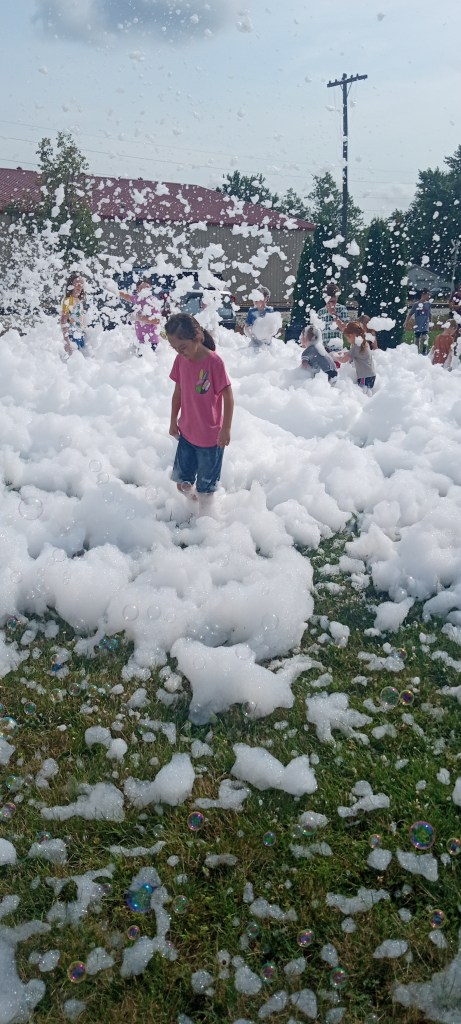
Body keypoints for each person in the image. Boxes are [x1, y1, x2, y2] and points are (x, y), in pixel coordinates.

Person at [166, 313, 234, 515]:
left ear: (197, 337)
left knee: (206, 491)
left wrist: (226, 429)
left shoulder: (214, 362)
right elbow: (178, 392)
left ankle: (207, 523)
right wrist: (173, 420)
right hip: (187, 433)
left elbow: (228, 397)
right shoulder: (180, 360)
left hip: (210, 439)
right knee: (182, 485)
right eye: (175, 349)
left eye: (183, 347)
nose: (180, 352)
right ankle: (194, 506)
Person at [119, 277, 162, 356]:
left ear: (150, 288)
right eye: (141, 288)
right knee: (140, 359)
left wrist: (139, 318)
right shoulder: (138, 299)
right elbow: (126, 296)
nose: (144, 290)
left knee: (144, 359)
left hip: (151, 340)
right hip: (141, 340)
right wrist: (114, 290)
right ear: (137, 289)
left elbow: (157, 320)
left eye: (147, 287)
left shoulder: (153, 301)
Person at [337, 320, 377, 392]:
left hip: (364, 376)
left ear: (351, 335)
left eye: (347, 338)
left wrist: (335, 357)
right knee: (367, 392)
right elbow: (355, 353)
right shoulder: (363, 343)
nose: (348, 341)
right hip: (371, 375)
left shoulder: (356, 346)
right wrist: (344, 353)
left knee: (362, 393)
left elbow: (344, 360)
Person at [317, 282, 350, 352]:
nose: (332, 304)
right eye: (329, 301)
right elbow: (317, 332)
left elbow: (346, 330)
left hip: (337, 350)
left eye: (334, 301)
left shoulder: (342, 309)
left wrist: (334, 315)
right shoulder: (320, 312)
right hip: (323, 350)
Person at [61, 273, 86, 355]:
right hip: (72, 336)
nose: (80, 286)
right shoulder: (69, 300)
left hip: (80, 335)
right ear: (71, 285)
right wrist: (67, 341)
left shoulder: (78, 300)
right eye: (77, 284)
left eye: (81, 284)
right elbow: (63, 321)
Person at [404, 288, 432, 354]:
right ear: (423, 294)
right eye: (428, 294)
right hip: (418, 324)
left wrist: (430, 323)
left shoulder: (428, 304)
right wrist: (406, 321)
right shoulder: (416, 304)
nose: (429, 296)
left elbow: (430, 314)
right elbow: (410, 314)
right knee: (417, 339)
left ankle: (424, 351)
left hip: (425, 324)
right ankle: (416, 352)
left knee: (424, 337)